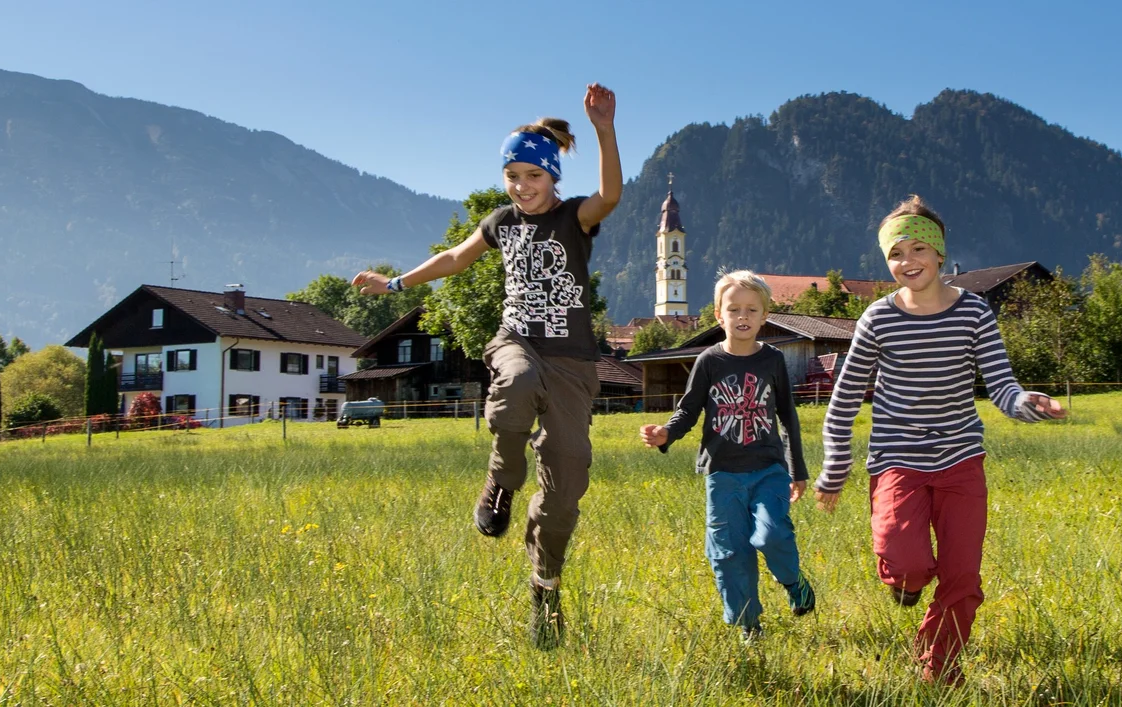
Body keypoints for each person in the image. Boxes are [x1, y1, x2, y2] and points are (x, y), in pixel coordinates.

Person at [352, 84, 621, 649]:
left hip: (572, 362)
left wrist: (604, 129)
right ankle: (501, 481)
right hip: (516, 340)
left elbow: (611, 195)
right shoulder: (501, 222)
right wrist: (394, 283)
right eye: (512, 175)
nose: (522, 186)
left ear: (553, 177)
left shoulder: (575, 218)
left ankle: (545, 586)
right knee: (515, 384)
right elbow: (454, 258)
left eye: (533, 176)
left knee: (567, 485)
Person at [813, 195, 1066, 684]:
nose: (908, 261)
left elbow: (1002, 386)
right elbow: (843, 401)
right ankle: (904, 581)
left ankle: (940, 667)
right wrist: (835, 468)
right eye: (895, 254)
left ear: (940, 253)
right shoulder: (878, 319)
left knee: (963, 578)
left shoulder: (974, 313)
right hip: (897, 461)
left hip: (961, 460)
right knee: (907, 563)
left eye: (918, 249)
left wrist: (1027, 403)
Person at [638, 271, 815, 643]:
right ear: (719, 315)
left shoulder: (773, 360)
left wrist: (796, 467)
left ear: (764, 316)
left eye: (751, 309)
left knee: (771, 535)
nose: (742, 316)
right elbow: (689, 410)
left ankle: (793, 581)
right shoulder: (709, 361)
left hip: (769, 470)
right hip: (722, 474)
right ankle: (749, 625)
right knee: (729, 551)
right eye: (734, 309)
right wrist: (667, 432)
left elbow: (787, 415)